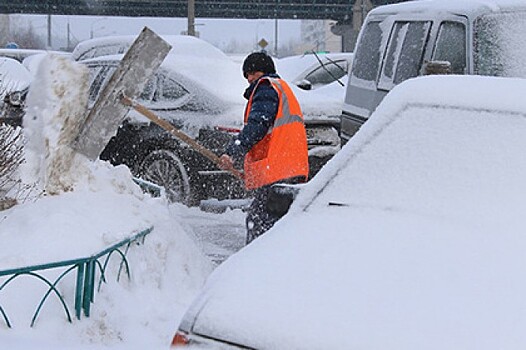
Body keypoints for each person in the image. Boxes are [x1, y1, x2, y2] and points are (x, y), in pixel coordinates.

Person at [219, 52, 309, 244]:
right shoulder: (280, 87)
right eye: (247, 75)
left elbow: (257, 125)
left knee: (259, 222)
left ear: (265, 71)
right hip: (291, 166)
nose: (250, 78)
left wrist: (234, 151)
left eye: (253, 73)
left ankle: (259, 266)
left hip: (280, 168)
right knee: (277, 223)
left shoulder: (266, 88)